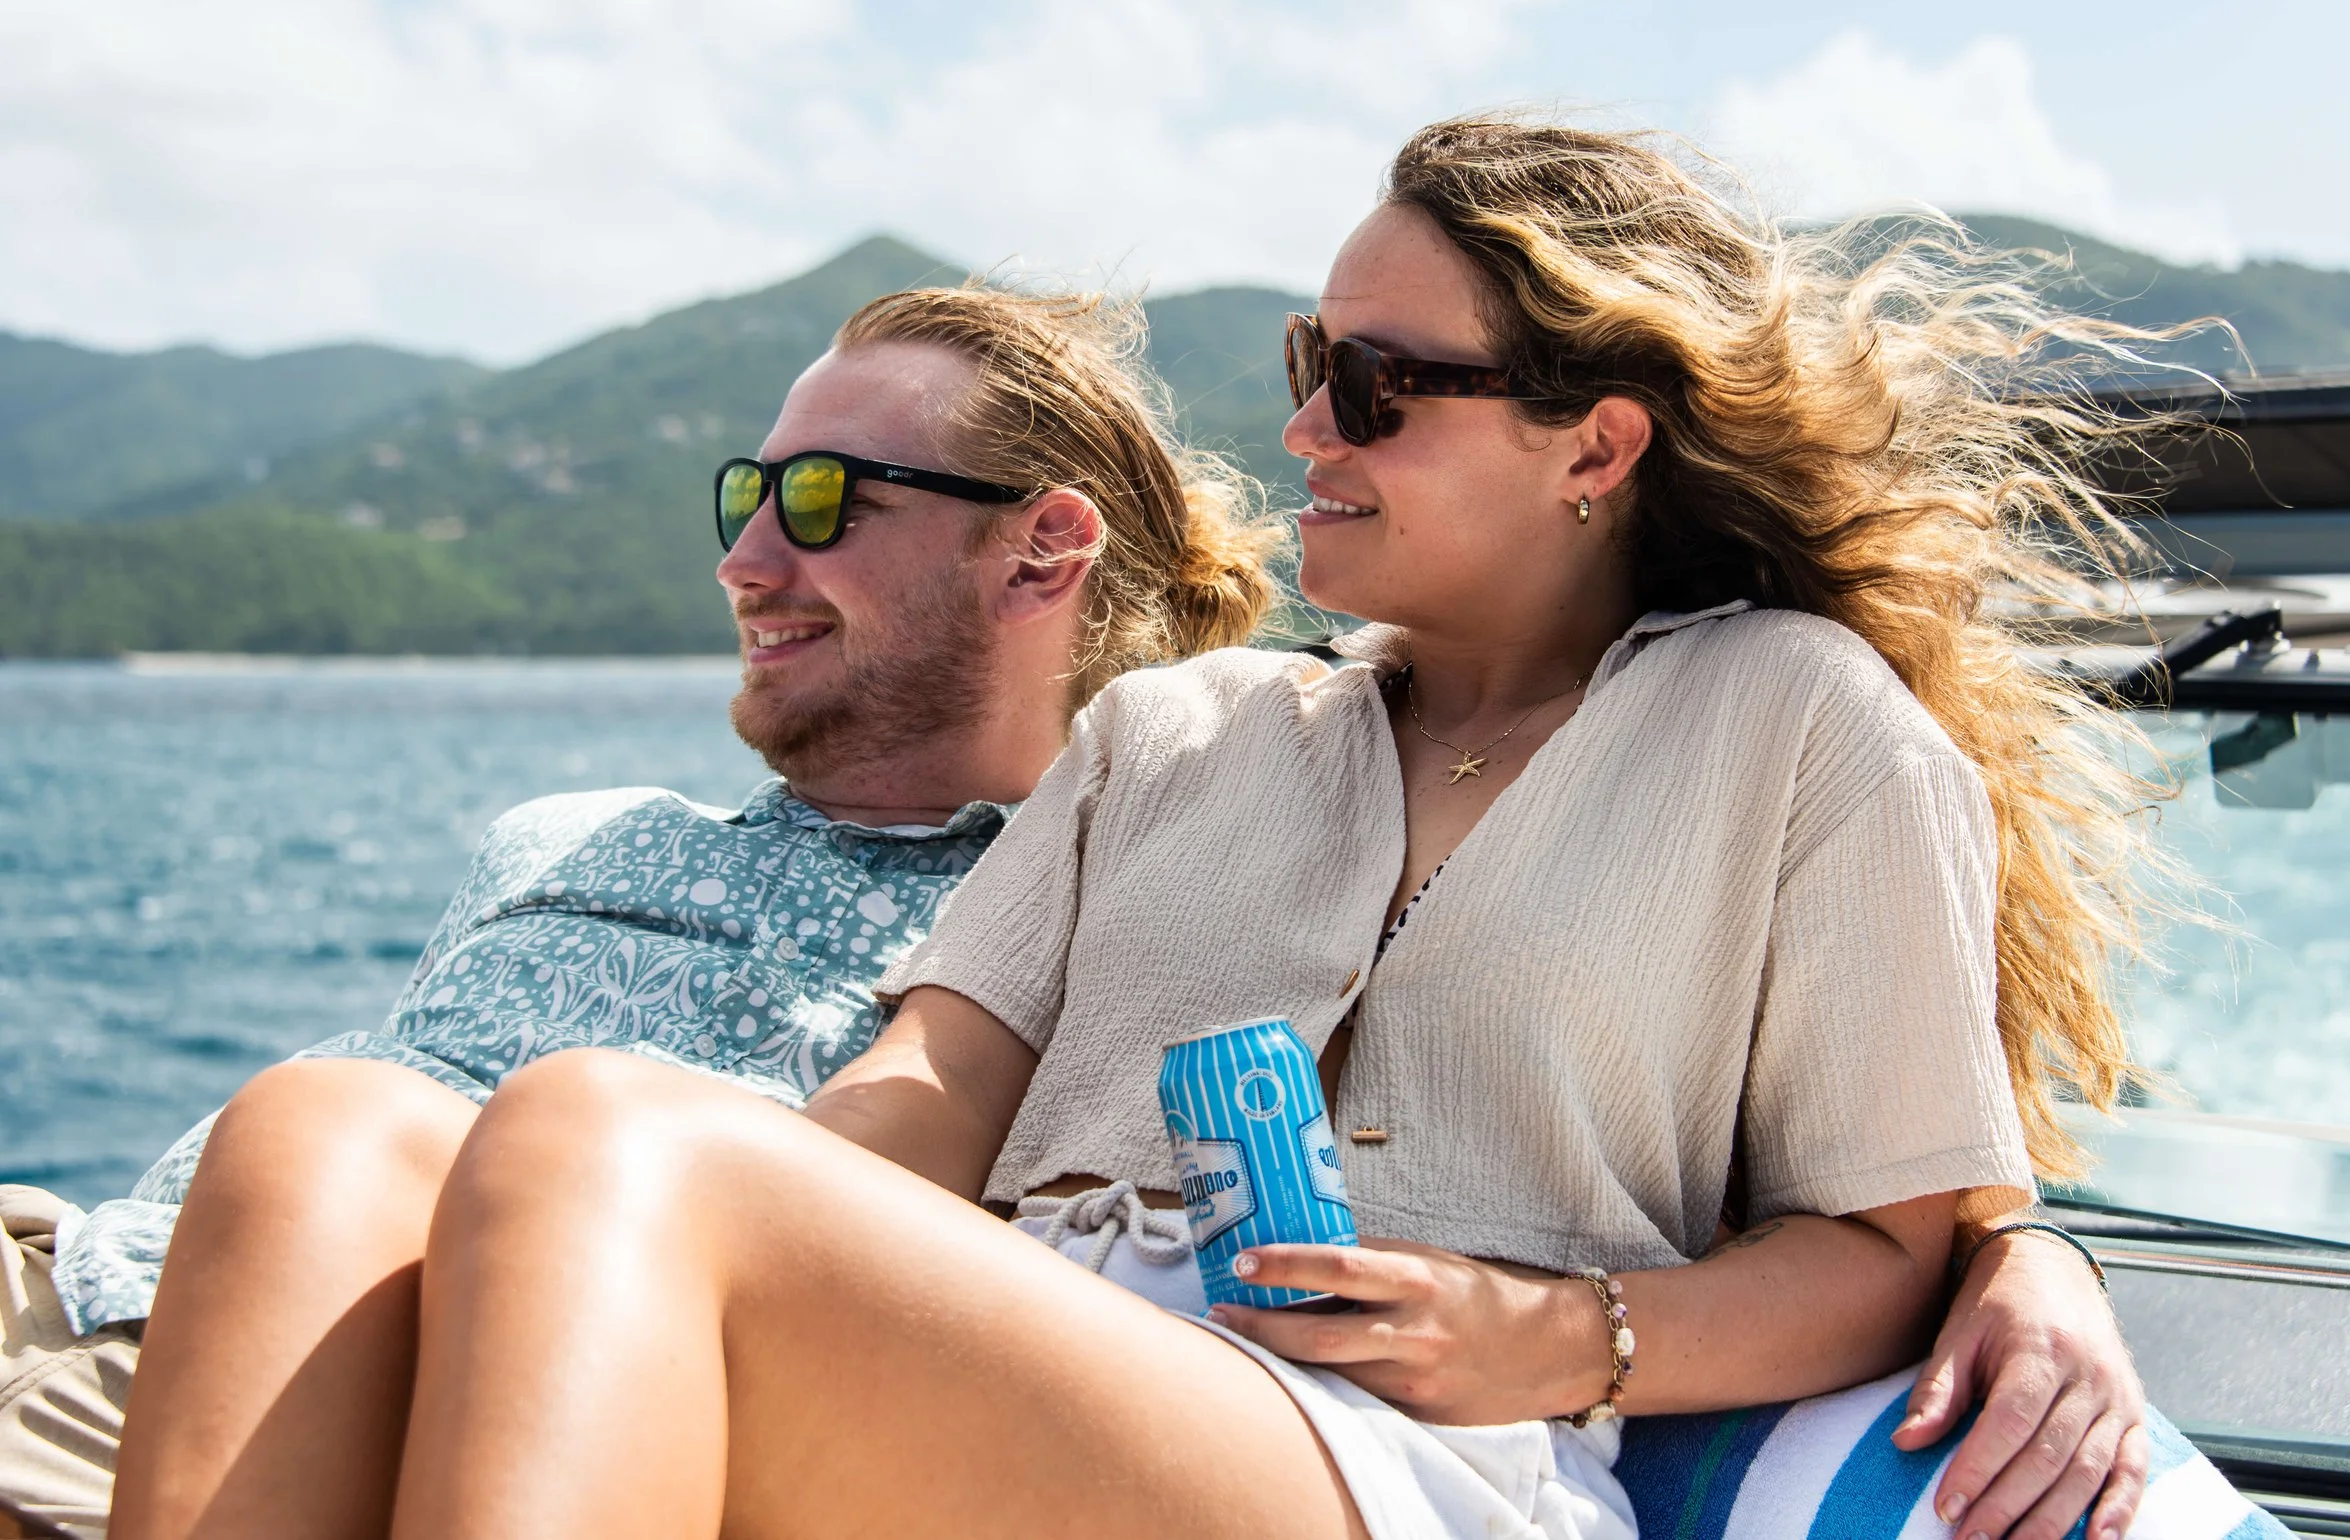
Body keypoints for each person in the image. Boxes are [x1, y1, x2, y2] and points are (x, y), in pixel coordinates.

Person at [360, 117, 2202, 1540]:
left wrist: (1567, 1336)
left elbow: (1887, 1242)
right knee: (328, 1136)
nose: (1311, 422)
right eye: (1312, 359)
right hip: (1034, 1351)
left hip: (1407, 1455)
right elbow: (922, 1094)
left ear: (1596, 447)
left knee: (601, 1131)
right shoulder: (1175, 727)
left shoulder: (1799, 723)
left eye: (1381, 386)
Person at [0, 285, 1283, 1540]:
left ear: (1039, 552)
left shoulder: (1057, 922)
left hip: (294, 1405)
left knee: (333, 1119)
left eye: (823, 499)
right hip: (81, 1267)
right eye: (746, 494)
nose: (745, 559)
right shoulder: (563, 831)